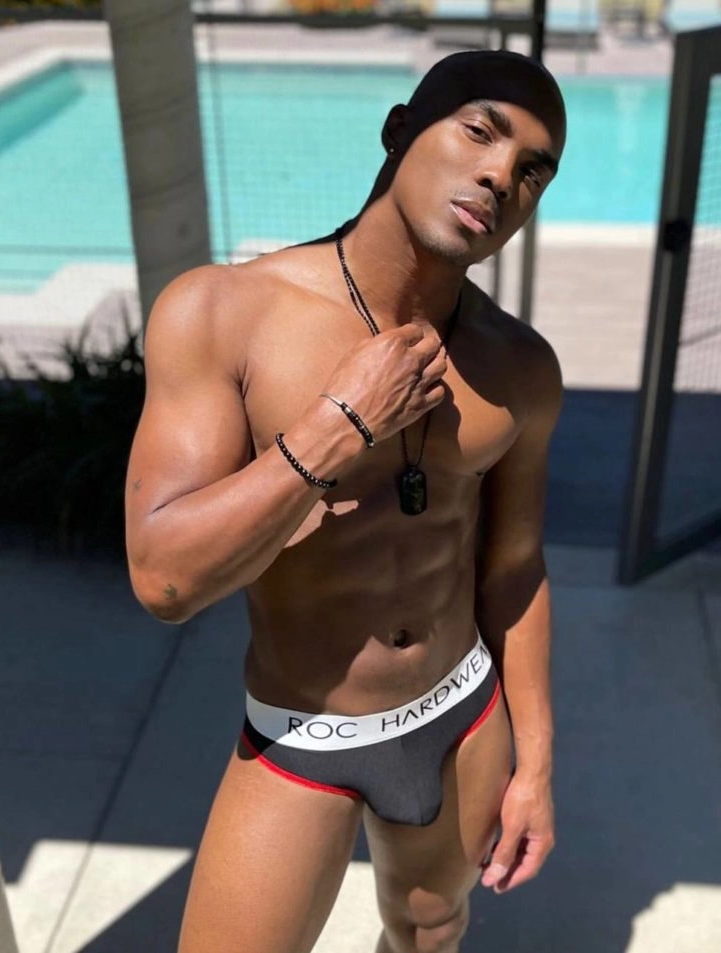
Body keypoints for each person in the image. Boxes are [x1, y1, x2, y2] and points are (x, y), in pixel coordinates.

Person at [125, 49, 566, 953]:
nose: (500, 175)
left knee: (431, 928)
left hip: (463, 710)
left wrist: (539, 762)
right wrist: (339, 427)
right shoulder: (223, 312)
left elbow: (516, 566)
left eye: (533, 171)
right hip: (303, 734)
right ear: (399, 130)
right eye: (479, 132)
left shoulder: (520, 365)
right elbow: (164, 579)